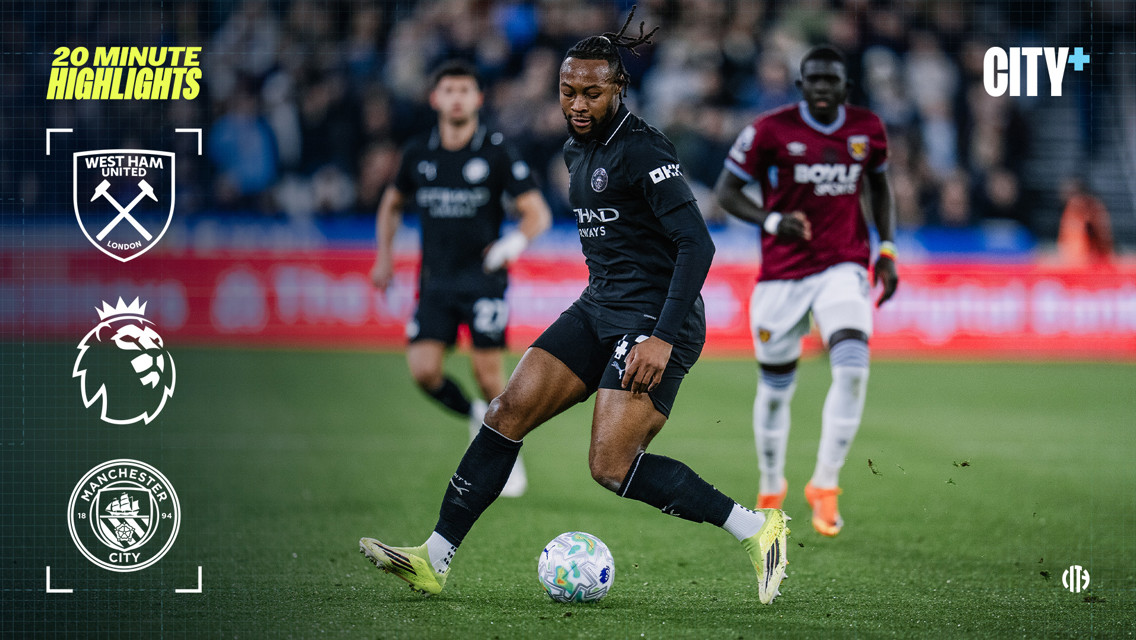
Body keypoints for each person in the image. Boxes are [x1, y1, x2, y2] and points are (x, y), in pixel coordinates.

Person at [360, 9, 789, 605]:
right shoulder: (573, 152)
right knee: (506, 411)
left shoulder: (643, 150)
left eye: (592, 91)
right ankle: (433, 559)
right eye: (568, 91)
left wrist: (660, 338)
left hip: (655, 322)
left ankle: (758, 527)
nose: (578, 103)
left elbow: (698, 243)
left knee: (611, 466)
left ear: (619, 88)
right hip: (597, 307)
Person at [713, 45, 899, 538]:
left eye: (830, 81)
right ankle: (772, 483)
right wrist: (773, 219)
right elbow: (725, 192)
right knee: (776, 391)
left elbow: (879, 188)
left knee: (854, 368)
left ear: (844, 87)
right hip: (782, 276)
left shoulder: (868, 129)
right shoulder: (769, 130)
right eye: (812, 80)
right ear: (801, 86)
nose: (821, 88)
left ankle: (826, 484)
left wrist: (888, 250)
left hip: (843, 265)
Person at [370, 60, 552, 498]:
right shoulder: (418, 153)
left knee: (490, 376)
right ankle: (475, 414)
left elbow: (537, 213)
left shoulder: (496, 150)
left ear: (477, 99)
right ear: (436, 98)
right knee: (424, 371)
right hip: (435, 282)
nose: (456, 97)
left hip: (484, 281)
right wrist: (384, 256)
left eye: (464, 90)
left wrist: (512, 244)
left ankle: (510, 458)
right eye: (448, 90)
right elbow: (391, 203)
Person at [1057, 177, 1113, 265]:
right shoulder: (1071, 210)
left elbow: (1101, 235)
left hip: (1086, 261)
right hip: (1074, 260)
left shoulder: (1089, 207)